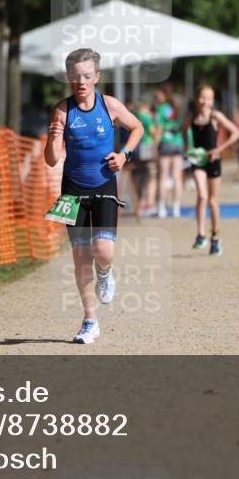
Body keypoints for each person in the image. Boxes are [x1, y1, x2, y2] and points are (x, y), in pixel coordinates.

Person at [45, 48, 144, 344]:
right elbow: (51, 160)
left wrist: (124, 154)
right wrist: (53, 137)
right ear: (68, 78)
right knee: (80, 257)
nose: (81, 82)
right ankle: (90, 321)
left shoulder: (109, 105)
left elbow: (138, 127)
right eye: (75, 77)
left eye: (87, 76)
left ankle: (105, 273)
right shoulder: (62, 111)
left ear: (97, 77)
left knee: (104, 252)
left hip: (103, 186)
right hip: (73, 189)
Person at [184, 84, 239, 256]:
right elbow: (183, 131)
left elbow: (236, 133)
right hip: (198, 161)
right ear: (196, 99)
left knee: (212, 200)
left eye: (208, 98)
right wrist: (189, 147)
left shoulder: (216, 116)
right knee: (202, 195)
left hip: (213, 162)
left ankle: (215, 237)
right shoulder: (191, 117)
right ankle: (201, 235)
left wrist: (219, 149)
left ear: (212, 101)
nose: (204, 101)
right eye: (202, 97)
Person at [154, 83, 184, 218]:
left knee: (163, 176)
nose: (157, 97)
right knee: (177, 177)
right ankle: (176, 207)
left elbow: (159, 129)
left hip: (166, 144)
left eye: (158, 95)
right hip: (178, 143)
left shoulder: (161, 109)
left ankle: (161, 207)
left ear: (164, 95)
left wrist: (154, 146)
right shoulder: (175, 108)